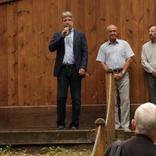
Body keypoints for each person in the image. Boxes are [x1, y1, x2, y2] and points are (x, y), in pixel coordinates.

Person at [48, 11, 88, 130]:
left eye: (69, 19)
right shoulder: (58, 35)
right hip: (63, 71)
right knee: (61, 97)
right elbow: (51, 48)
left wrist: (83, 67)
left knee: (76, 98)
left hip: (76, 70)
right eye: (65, 20)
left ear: (72, 21)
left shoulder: (80, 35)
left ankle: (74, 124)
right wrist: (61, 36)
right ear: (62, 22)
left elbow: (85, 52)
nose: (67, 22)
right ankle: (60, 123)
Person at [96, 24, 134, 130]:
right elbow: (101, 61)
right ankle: (115, 125)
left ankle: (125, 125)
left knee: (125, 100)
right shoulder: (103, 47)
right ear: (107, 33)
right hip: (110, 76)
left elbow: (130, 58)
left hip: (123, 74)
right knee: (113, 102)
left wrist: (122, 73)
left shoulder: (124, 44)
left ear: (117, 32)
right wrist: (109, 72)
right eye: (110, 31)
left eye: (114, 31)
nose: (112, 33)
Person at [141, 25, 156, 104]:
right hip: (151, 74)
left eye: (152, 31)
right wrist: (152, 70)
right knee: (153, 96)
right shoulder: (145, 46)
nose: (150, 33)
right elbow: (143, 61)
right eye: (149, 31)